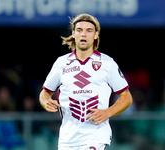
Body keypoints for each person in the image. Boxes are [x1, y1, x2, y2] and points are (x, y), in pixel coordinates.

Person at [39, 13, 132, 150]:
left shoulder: (107, 63)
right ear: (73, 33)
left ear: (96, 35)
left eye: (89, 31)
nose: (84, 34)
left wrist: (107, 112)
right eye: (79, 30)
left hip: (96, 136)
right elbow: (45, 93)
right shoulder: (61, 63)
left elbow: (127, 98)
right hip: (67, 138)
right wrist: (45, 101)